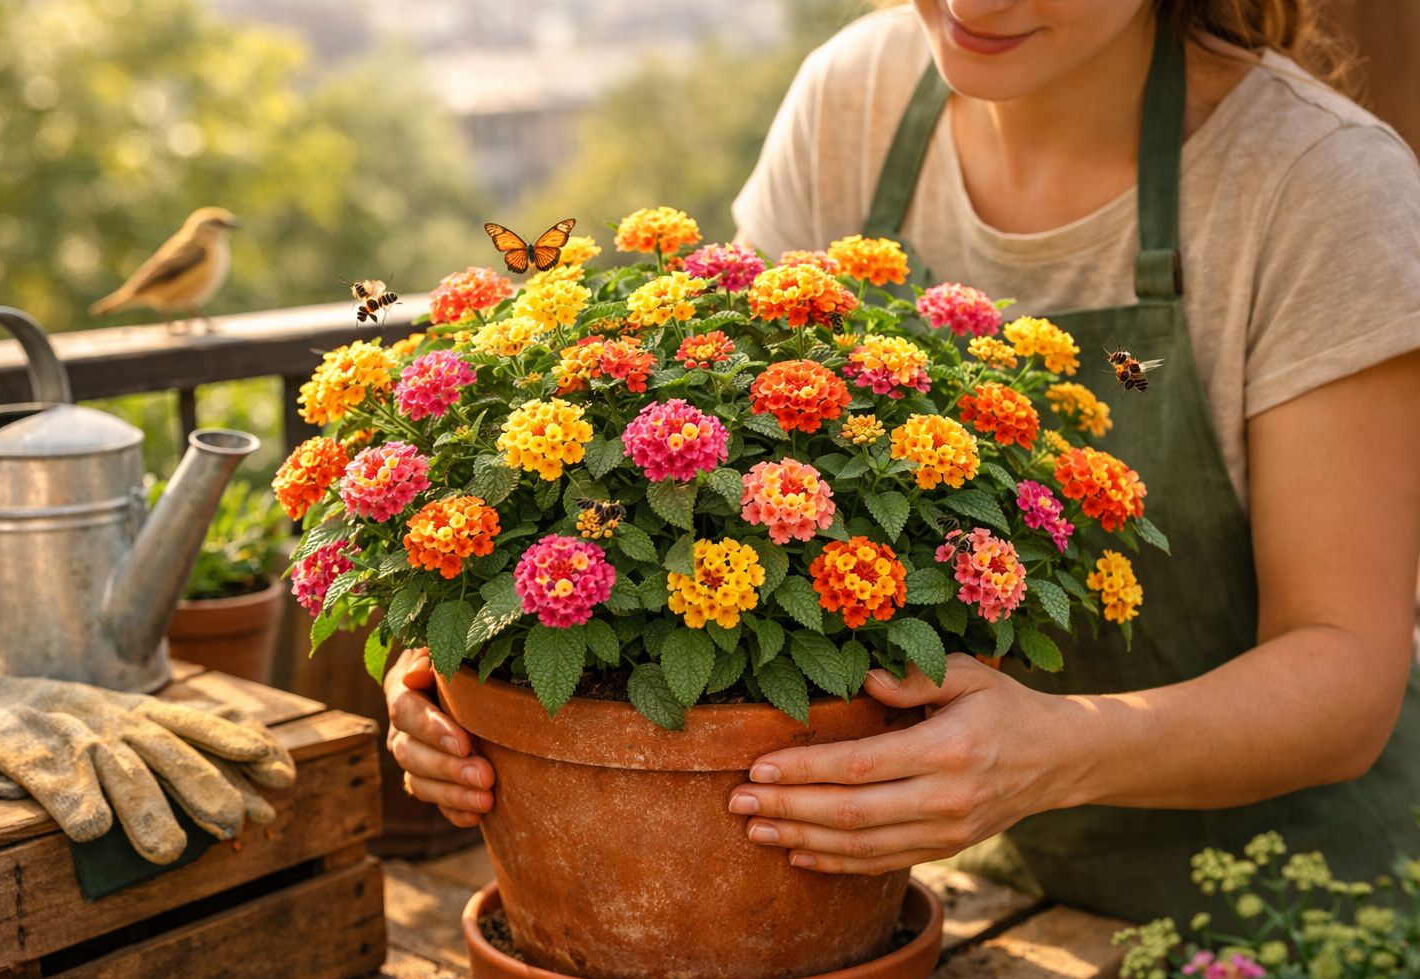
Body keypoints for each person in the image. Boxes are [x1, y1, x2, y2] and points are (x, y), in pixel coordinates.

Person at [386, 0, 1420, 921]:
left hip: (1292, 924)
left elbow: (1344, 680)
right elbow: (710, 464)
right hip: (969, 900)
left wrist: (1046, 753)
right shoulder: (858, 95)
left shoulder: (1319, 187)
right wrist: (475, 649)